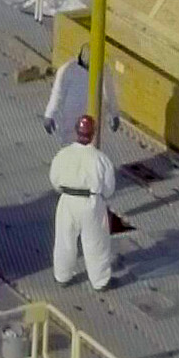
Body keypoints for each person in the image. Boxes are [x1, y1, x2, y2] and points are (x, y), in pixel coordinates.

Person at [47, 115, 119, 291]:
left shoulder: (63, 155)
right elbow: (109, 188)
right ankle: (100, 281)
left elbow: (54, 180)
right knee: (96, 242)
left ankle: (62, 276)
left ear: (76, 132)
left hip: (67, 201)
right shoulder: (101, 159)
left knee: (65, 240)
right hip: (91, 202)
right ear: (93, 133)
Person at [43, 47, 121, 140]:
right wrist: (50, 114)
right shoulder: (68, 70)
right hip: (71, 122)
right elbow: (57, 94)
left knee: (91, 147)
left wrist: (114, 114)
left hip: (94, 121)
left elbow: (110, 93)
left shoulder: (103, 69)